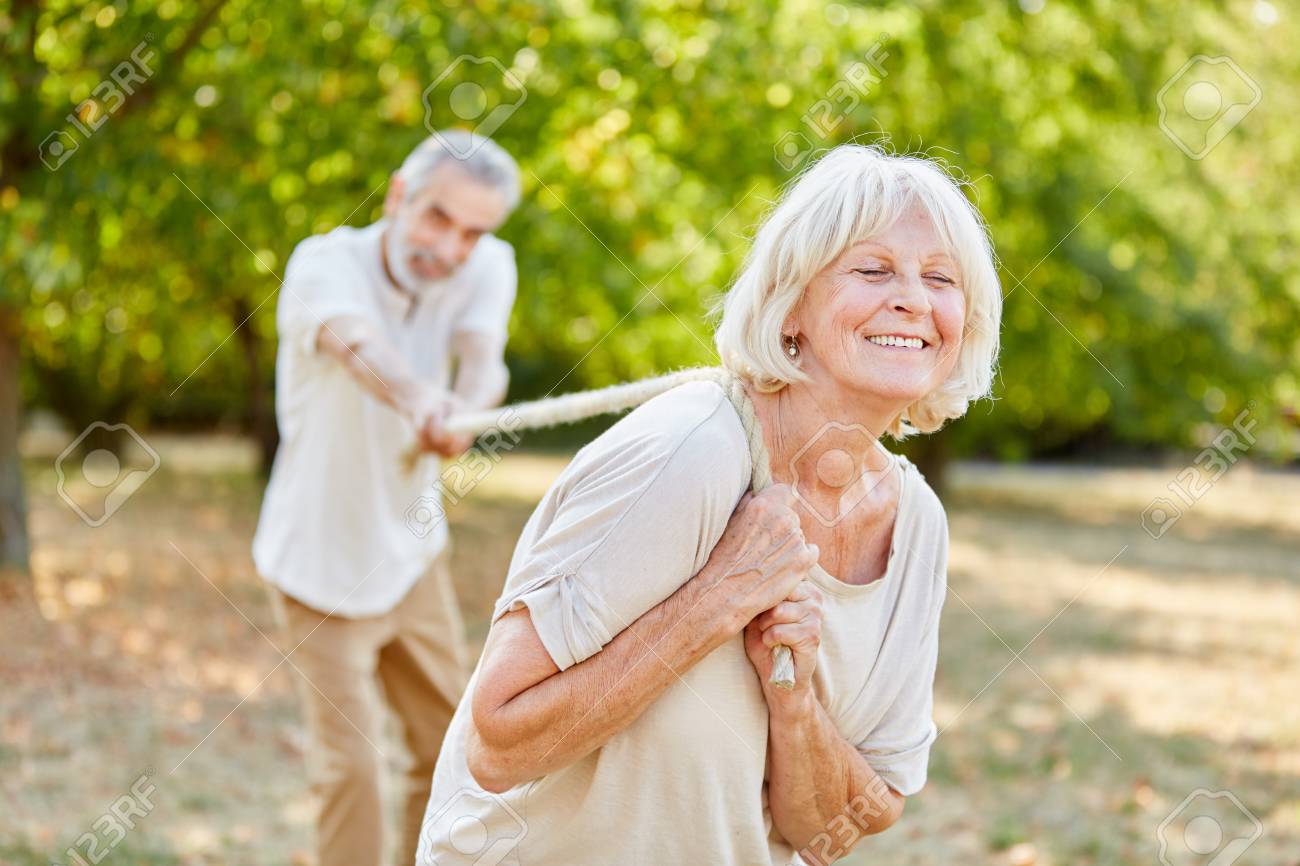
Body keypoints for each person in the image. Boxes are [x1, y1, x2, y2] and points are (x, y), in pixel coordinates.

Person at [416, 143, 1003, 865]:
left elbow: (841, 829)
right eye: (874, 269)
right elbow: (498, 743)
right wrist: (715, 600)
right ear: (791, 308)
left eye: (940, 278)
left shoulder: (915, 525)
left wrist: (794, 700)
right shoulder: (690, 449)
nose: (913, 298)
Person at [252, 129, 521, 866]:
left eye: (472, 230)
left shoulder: (488, 264)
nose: (452, 247)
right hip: (319, 563)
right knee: (353, 770)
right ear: (399, 196)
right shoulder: (324, 264)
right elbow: (357, 342)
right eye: (438, 218)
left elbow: (483, 360)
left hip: (411, 554)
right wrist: (419, 401)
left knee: (454, 755)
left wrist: (463, 410)